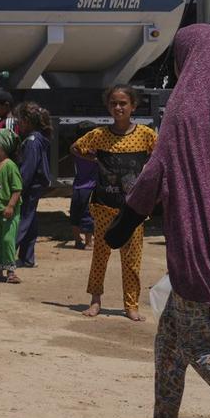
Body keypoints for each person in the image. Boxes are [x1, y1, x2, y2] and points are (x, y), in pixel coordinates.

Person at [102, 24, 210, 418]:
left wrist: (122, 224)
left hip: (193, 249)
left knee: (206, 353)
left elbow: (156, 174)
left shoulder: (184, 109)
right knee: (169, 340)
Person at [71, 85, 157, 321]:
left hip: (133, 209)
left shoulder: (146, 135)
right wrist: (95, 159)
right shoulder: (99, 135)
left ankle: (131, 304)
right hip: (103, 206)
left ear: (133, 106)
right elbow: (76, 148)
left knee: (131, 259)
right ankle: (95, 300)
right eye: (113, 103)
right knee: (100, 255)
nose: (118, 107)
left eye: (123, 103)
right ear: (108, 106)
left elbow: (160, 157)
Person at [14, 102, 52, 268]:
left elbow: (27, 169)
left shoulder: (32, 141)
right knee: (30, 220)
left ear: (27, 121)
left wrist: (17, 188)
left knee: (22, 219)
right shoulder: (37, 139)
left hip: (30, 186)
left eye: (19, 120)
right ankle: (27, 258)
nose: (17, 124)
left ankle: (5, 255)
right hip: (35, 185)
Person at [0, 128, 22, 284]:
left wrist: (10, 206)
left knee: (8, 240)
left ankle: (11, 271)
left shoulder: (10, 166)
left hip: (9, 213)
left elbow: (17, 189)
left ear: (2, 145)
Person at [69, 121, 98, 249]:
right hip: (90, 187)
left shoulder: (77, 150)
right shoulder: (94, 150)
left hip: (77, 186)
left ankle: (77, 241)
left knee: (75, 214)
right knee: (88, 215)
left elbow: (72, 148)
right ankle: (89, 242)